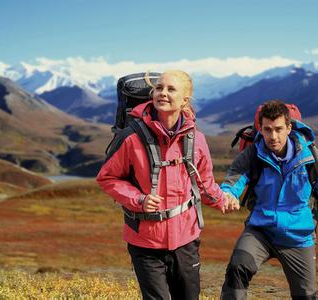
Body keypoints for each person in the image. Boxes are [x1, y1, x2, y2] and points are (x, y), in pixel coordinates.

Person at [97, 70, 238, 300]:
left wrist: (223, 200)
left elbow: (204, 183)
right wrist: (139, 199)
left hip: (186, 239)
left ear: (185, 100)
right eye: (159, 88)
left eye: (170, 89)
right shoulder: (131, 138)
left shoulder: (196, 139)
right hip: (145, 241)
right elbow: (107, 178)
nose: (162, 93)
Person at [220, 100, 318, 299]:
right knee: (237, 268)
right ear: (260, 129)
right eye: (267, 130)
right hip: (261, 231)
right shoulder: (253, 153)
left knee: (306, 295)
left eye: (278, 129)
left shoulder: (312, 158)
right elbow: (234, 178)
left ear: (289, 128)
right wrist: (228, 194)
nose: (273, 136)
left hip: (299, 237)